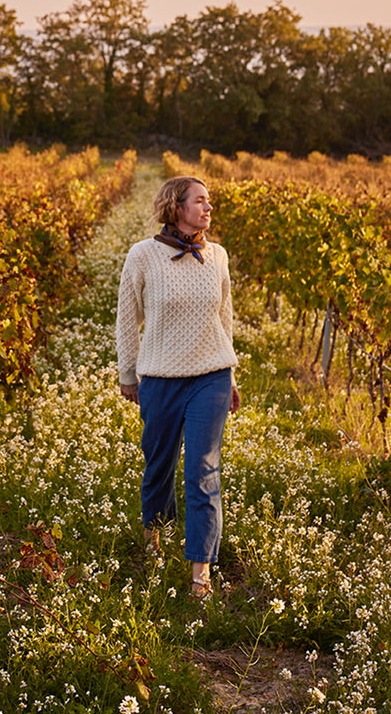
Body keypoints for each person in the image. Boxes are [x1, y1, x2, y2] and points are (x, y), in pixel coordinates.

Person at [116, 175, 240, 599]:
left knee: (203, 471)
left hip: (211, 377)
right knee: (159, 465)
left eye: (209, 201)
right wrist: (128, 374)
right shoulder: (143, 255)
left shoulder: (218, 256)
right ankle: (154, 540)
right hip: (160, 379)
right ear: (176, 206)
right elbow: (127, 318)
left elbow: (224, 320)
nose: (208, 208)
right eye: (200, 201)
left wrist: (231, 377)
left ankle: (200, 575)